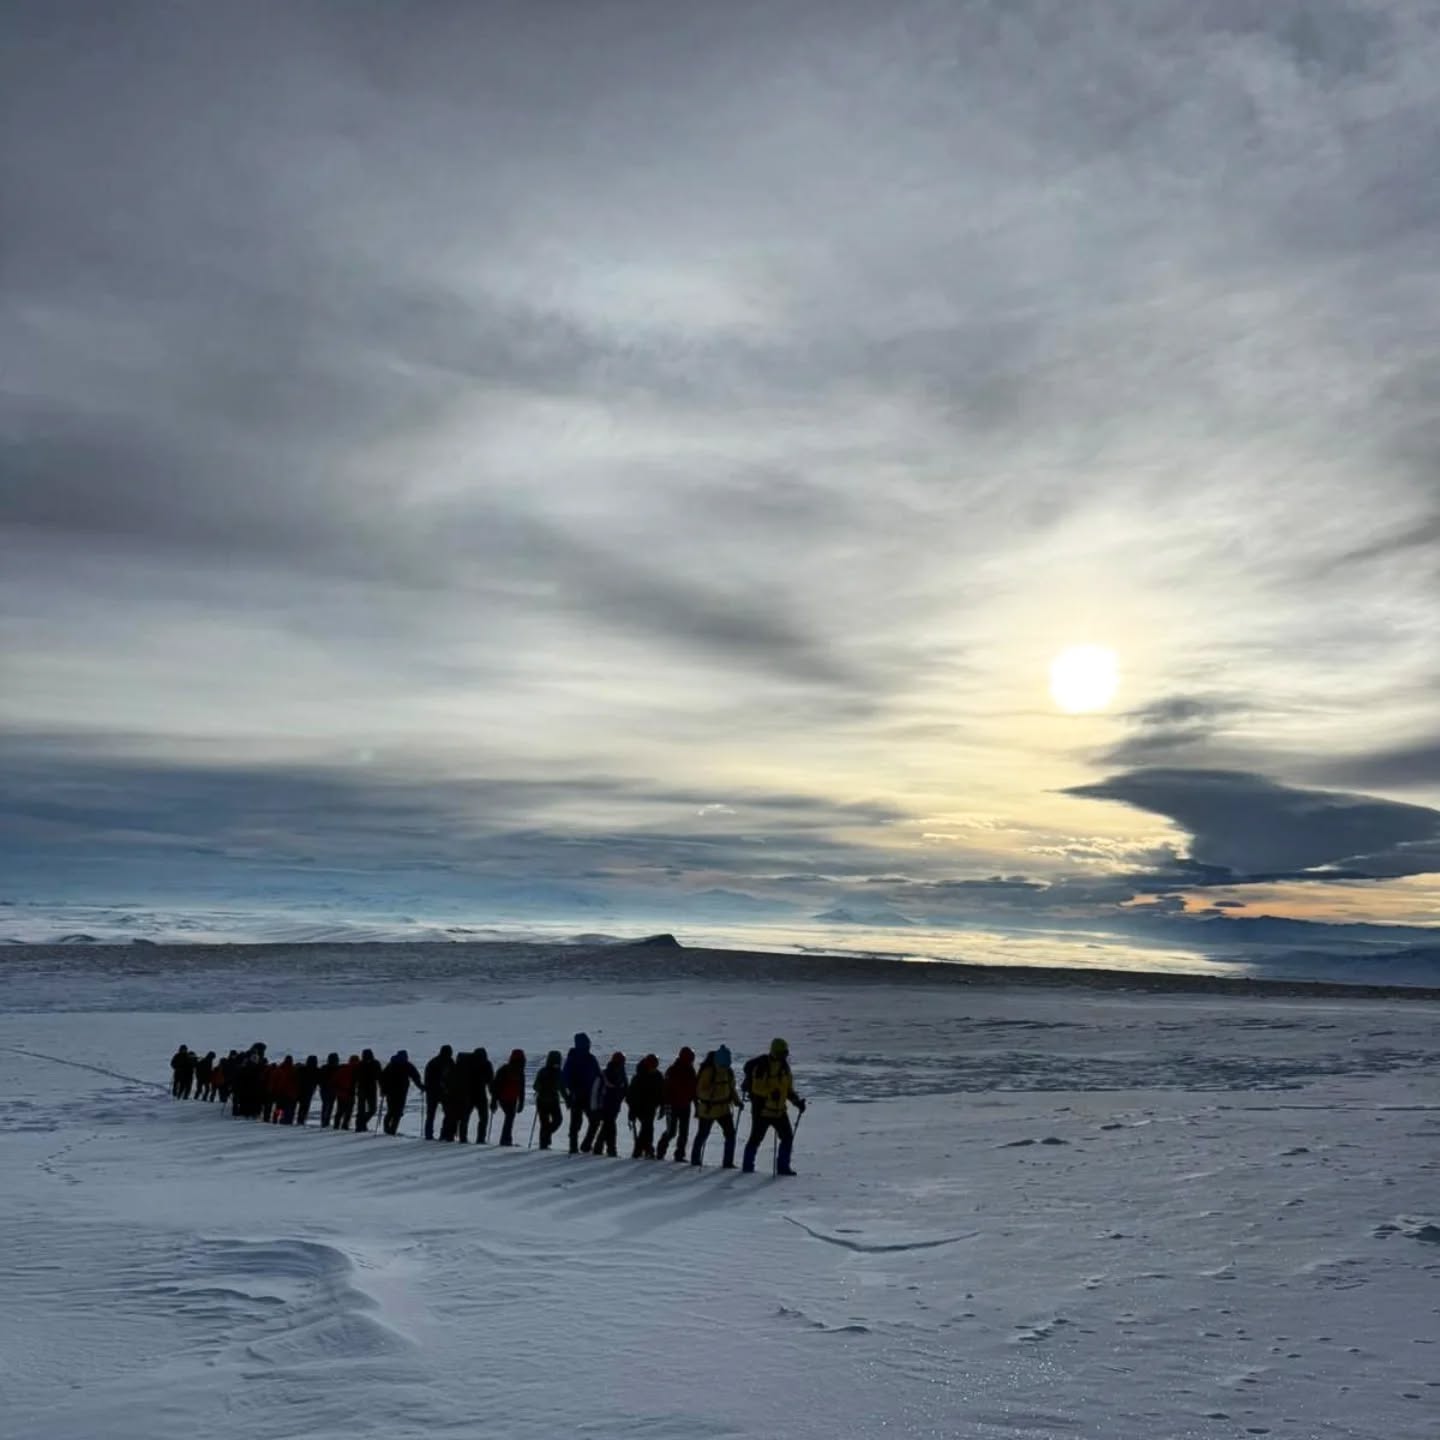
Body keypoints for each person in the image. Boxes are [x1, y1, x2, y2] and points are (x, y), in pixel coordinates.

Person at [741, 1037, 806, 1176]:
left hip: (779, 1111)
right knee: (756, 1139)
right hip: (762, 1110)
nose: (785, 1056)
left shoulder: (784, 1068)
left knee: (787, 1137)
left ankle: (783, 1167)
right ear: (775, 1051)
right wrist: (771, 1093)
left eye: (786, 1053)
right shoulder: (762, 1066)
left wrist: (797, 1102)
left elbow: (788, 1090)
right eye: (783, 1053)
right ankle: (747, 1167)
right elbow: (756, 1087)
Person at [690, 1046, 741, 1169]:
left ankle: (728, 1162)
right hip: (709, 1108)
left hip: (723, 1108)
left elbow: (731, 1088)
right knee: (703, 1134)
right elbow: (699, 1091)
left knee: (730, 1135)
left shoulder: (728, 1072)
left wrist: (737, 1101)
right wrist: (711, 1092)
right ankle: (695, 1159)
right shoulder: (709, 1071)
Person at [561, 1033, 600, 1155]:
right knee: (579, 1122)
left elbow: (598, 1075)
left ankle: (583, 1145)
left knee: (590, 1121)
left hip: (588, 1095)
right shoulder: (574, 1059)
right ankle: (577, 1147)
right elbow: (565, 1078)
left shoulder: (589, 1058)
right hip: (579, 1095)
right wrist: (573, 1089)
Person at [584, 1052, 628, 1157]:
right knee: (610, 1128)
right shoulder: (620, 1074)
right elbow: (625, 1090)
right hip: (610, 1106)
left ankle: (597, 1147)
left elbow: (595, 1090)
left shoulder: (605, 1073)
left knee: (607, 1127)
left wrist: (594, 1107)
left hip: (605, 1105)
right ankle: (610, 1150)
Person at [656, 1046, 696, 1162]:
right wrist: (664, 1104)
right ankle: (661, 1152)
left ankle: (679, 1154)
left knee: (683, 1132)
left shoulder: (689, 1070)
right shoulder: (673, 1070)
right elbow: (666, 1088)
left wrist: (695, 1103)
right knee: (672, 1131)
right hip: (672, 1105)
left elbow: (693, 1089)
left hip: (684, 1105)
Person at [626, 1054, 664, 1158]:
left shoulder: (658, 1076)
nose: (654, 1069)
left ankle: (645, 1149)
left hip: (651, 1107)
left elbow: (661, 1092)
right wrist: (632, 1111)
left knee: (648, 1128)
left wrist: (662, 1106)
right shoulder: (639, 1077)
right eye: (652, 1066)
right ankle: (642, 1150)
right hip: (639, 1108)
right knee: (647, 1128)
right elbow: (631, 1095)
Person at [380, 1049, 425, 1135]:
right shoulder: (403, 1065)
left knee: (393, 1111)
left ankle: (389, 1129)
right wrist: (421, 1087)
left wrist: (383, 1090)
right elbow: (415, 1077)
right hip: (398, 1091)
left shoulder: (393, 1064)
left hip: (394, 1092)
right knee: (396, 1111)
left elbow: (383, 1078)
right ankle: (391, 1129)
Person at [490, 1048, 526, 1146]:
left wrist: (494, 1100)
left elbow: (521, 1088)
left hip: (509, 1098)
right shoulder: (512, 1071)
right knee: (510, 1117)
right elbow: (497, 1086)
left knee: (510, 1117)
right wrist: (494, 1100)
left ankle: (506, 1139)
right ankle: (505, 1140)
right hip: (506, 1098)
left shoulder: (507, 1069)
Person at [532, 1050, 565, 1149]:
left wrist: (568, 1100)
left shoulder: (557, 1072)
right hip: (543, 1100)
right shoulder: (544, 1072)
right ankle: (544, 1144)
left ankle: (545, 1138)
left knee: (555, 1121)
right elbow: (536, 1086)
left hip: (551, 1100)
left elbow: (562, 1088)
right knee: (547, 1122)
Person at [440, 1051, 473, 1142]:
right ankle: (462, 1137)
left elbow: (444, 1081)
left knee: (453, 1117)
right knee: (462, 1119)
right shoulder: (467, 1071)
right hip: (461, 1097)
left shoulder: (451, 1068)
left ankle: (450, 1136)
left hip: (452, 1097)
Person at [423, 1046, 454, 1140]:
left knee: (433, 1114)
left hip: (436, 1092)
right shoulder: (446, 1062)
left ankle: (432, 1134)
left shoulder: (435, 1061)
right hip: (439, 1092)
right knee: (446, 1113)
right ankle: (442, 1134)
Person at [468, 1047, 494, 1143]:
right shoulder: (486, 1064)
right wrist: (493, 1096)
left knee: (465, 1117)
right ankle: (480, 1139)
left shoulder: (468, 1063)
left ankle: (463, 1137)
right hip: (479, 1094)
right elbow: (490, 1081)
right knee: (483, 1118)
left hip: (469, 1094)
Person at [354, 1048, 382, 1133]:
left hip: (370, 1088)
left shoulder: (373, 1063)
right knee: (362, 1109)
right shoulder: (361, 1064)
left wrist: (382, 1088)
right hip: (364, 1088)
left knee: (371, 1109)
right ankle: (360, 1125)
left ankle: (361, 1124)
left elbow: (380, 1077)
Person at [269, 1055, 298, 1124]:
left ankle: (276, 1119)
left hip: (281, 1092)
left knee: (279, 1108)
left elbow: (274, 1080)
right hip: (287, 1093)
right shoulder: (293, 1070)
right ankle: (281, 1120)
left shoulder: (280, 1069)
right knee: (284, 1108)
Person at [332, 1054, 358, 1130]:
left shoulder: (343, 1068)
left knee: (340, 1110)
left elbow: (334, 1080)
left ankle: (336, 1125)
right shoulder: (356, 1070)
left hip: (341, 1092)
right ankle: (344, 1125)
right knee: (348, 1111)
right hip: (349, 1092)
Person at [317, 1052, 341, 1128]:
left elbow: (319, 1079)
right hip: (331, 1089)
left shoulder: (324, 1067)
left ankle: (324, 1121)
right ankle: (325, 1121)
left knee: (326, 1105)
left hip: (325, 1089)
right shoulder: (337, 1068)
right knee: (329, 1106)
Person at [295, 1055, 320, 1125]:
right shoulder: (316, 1070)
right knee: (304, 1107)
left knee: (290, 1108)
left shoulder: (302, 1069)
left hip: (299, 1090)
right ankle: (301, 1120)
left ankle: (281, 1118)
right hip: (308, 1091)